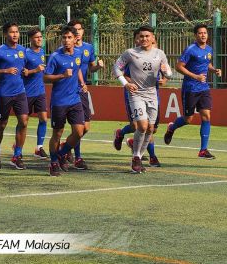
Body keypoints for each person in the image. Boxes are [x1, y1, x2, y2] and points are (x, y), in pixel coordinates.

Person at [113, 26, 172, 174]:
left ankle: (139, 155)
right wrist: (125, 83)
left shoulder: (160, 54)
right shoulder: (131, 53)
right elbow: (116, 68)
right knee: (142, 125)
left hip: (152, 95)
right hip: (136, 94)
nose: (144, 39)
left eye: (147, 36)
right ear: (138, 38)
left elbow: (168, 71)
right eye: (141, 36)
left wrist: (166, 75)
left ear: (153, 38)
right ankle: (135, 158)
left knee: (151, 129)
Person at [163, 24, 222, 159]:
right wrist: (195, 76)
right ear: (196, 35)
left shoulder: (209, 49)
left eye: (205, 33)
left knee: (206, 116)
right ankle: (172, 127)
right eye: (200, 33)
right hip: (190, 88)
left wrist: (214, 70)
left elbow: (207, 64)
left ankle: (203, 150)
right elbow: (179, 66)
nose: (203, 35)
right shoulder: (190, 49)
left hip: (204, 88)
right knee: (188, 119)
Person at [43, 26, 87, 177]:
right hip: (59, 101)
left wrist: (82, 82)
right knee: (57, 133)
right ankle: (54, 162)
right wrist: (62, 75)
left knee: (79, 131)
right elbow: (45, 77)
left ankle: (61, 153)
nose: (66, 41)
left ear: (75, 39)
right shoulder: (55, 56)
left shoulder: (79, 53)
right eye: (64, 38)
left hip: (75, 99)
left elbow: (78, 68)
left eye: (69, 38)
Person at [0, 22, 29, 170]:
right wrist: (5, 71)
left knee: (24, 121)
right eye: (12, 32)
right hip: (4, 93)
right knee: (2, 125)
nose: (15, 34)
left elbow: (26, 68)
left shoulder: (23, 51)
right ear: (5, 34)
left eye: (17, 32)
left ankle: (17, 155)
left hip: (20, 92)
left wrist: (26, 72)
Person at [65, 20, 104, 170]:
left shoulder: (88, 48)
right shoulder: (66, 49)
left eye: (79, 29)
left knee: (85, 128)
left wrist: (98, 67)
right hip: (70, 90)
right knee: (78, 127)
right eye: (74, 30)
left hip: (83, 90)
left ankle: (66, 147)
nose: (77, 32)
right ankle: (78, 157)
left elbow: (91, 68)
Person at [23, 28, 48, 159]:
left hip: (40, 92)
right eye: (37, 37)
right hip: (27, 93)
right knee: (24, 122)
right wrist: (35, 70)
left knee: (44, 118)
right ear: (31, 39)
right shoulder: (25, 53)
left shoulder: (42, 52)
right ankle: (18, 147)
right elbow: (24, 73)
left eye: (40, 37)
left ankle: (39, 148)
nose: (40, 39)